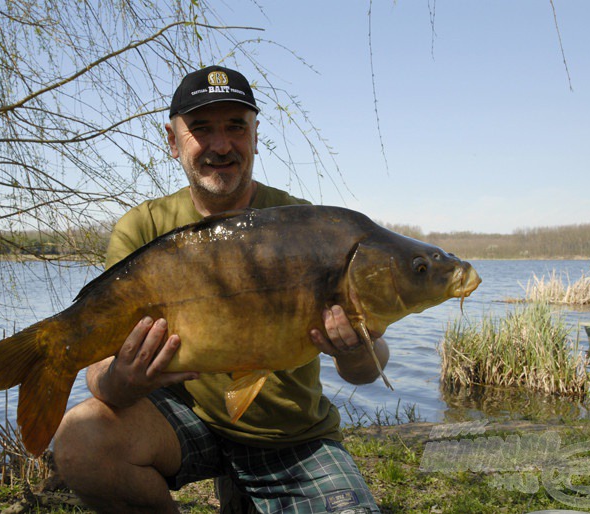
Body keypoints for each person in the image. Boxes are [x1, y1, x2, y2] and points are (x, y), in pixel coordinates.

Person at [53, 65, 389, 514]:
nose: (221, 144)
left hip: (293, 436)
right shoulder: (144, 227)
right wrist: (121, 379)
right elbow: (101, 376)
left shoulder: (306, 225)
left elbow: (368, 370)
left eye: (235, 126)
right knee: (80, 441)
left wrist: (351, 351)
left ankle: (244, 495)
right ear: (173, 142)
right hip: (187, 423)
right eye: (201, 129)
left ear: (254, 135)